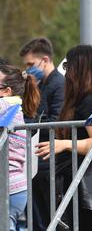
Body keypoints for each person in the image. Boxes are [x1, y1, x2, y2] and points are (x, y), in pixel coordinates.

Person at [34, 45, 92, 229]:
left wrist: (64, 144)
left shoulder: (91, 100)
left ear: (79, 68)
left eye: (68, 66)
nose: (65, 72)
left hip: (86, 185)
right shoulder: (76, 100)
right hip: (72, 179)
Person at [18, 37, 65, 230]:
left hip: (50, 162)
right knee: (37, 219)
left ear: (44, 59)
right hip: (38, 160)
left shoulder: (59, 84)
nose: (28, 69)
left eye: (30, 64)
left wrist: (28, 124)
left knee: (49, 217)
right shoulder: (40, 84)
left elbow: (57, 121)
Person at [0, 64, 40, 231]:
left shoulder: (4, 106)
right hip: (14, 186)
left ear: (6, 91)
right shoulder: (14, 107)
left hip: (7, 186)